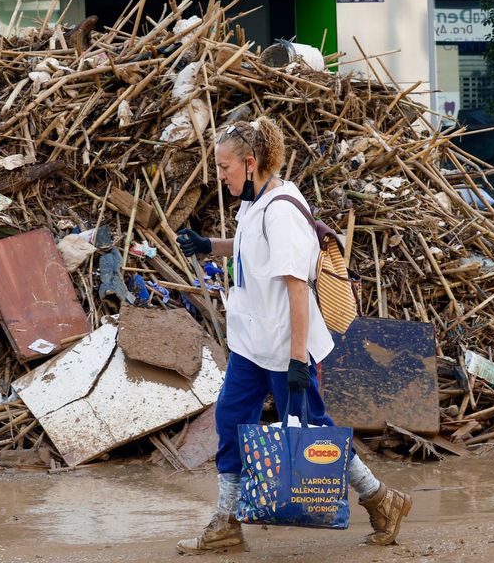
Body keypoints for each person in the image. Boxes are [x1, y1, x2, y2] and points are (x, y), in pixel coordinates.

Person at [174, 117, 411, 554]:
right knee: (230, 420)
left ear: (250, 162)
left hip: (285, 348)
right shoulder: (255, 200)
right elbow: (250, 247)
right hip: (252, 345)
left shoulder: (282, 210)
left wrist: (299, 362)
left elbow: (297, 289)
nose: (220, 175)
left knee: (312, 431)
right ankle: (226, 520)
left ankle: (381, 499)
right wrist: (210, 245)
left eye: (225, 167)